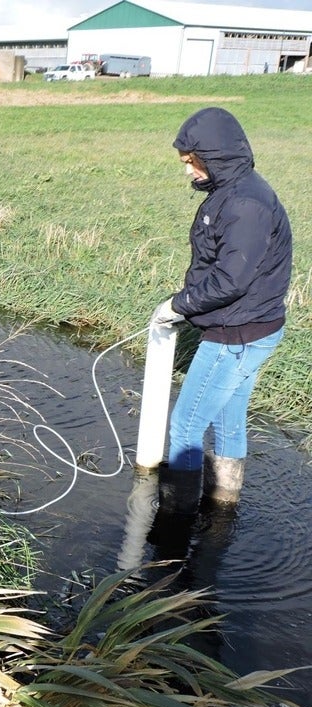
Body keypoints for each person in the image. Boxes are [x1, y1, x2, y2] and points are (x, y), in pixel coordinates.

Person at [150, 107, 292, 514]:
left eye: (192, 163)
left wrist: (178, 305)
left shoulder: (246, 203)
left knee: (186, 427)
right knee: (229, 417)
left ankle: (174, 525)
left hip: (238, 335)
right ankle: (223, 505)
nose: (188, 172)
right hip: (250, 327)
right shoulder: (232, 190)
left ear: (214, 155)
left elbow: (231, 280)